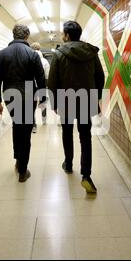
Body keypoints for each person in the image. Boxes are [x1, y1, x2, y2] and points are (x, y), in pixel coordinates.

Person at [47, 21, 105, 193]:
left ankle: (68, 163)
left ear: (67, 35)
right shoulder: (91, 52)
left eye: (63, 33)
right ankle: (86, 174)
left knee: (67, 132)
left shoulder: (59, 54)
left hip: (66, 99)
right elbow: (100, 77)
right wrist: (97, 97)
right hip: (86, 99)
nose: (62, 36)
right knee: (85, 136)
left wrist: (55, 103)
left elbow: (52, 81)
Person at [0, 24, 46, 183]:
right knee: (26, 130)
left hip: (9, 94)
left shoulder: (1, 54)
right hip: (29, 93)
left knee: (17, 125)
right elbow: (40, 77)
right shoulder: (33, 54)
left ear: (13, 35)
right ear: (27, 36)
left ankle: (18, 159)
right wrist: (42, 98)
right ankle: (23, 170)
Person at [30, 42, 50, 132]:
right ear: (39, 49)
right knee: (43, 102)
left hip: (31, 85)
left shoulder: (28, 57)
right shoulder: (44, 61)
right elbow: (47, 75)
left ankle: (33, 124)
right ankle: (44, 120)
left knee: (31, 105)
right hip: (41, 85)